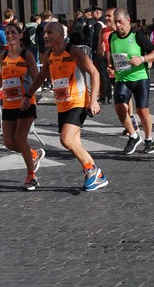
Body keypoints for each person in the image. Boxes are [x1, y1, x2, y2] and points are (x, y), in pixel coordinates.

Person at [21, 21, 109, 192]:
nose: (45, 36)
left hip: (78, 102)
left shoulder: (73, 51)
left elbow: (94, 72)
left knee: (66, 139)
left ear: (61, 35)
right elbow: (40, 77)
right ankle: (97, 176)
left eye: (49, 33)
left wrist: (93, 100)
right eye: (44, 33)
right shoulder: (48, 55)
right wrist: (27, 95)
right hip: (62, 105)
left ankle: (92, 170)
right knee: (74, 143)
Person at [0, 23, 44, 190]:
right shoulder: (2, 56)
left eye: (13, 32)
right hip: (9, 104)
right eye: (7, 33)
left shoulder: (27, 55)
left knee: (20, 138)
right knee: (9, 143)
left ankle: (31, 176)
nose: (10, 35)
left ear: (20, 35)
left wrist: (28, 95)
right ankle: (33, 154)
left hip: (26, 104)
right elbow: (2, 79)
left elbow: (38, 78)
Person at [109, 8, 154, 155]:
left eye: (120, 22)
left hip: (139, 78)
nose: (117, 25)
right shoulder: (112, 37)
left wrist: (143, 59)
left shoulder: (137, 35)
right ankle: (133, 136)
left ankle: (149, 139)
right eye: (115, 22)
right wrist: (111, 67)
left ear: (127, 20)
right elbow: (114, 57)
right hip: (122, 79)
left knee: (142, 111)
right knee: (119, 107)